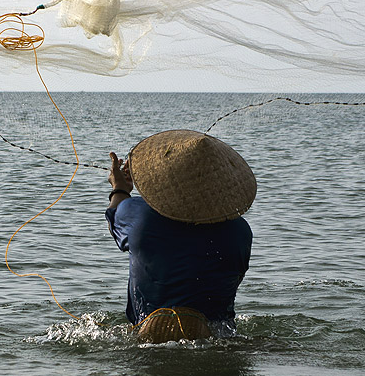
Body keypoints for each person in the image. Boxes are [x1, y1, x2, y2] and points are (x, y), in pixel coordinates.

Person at [106, 129, 255, 342]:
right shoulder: (240, 231)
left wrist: (119, 188)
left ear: (165, 179)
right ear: (222, 186)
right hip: (219, 337)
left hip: (149, 336)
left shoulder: (138, 215)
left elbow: (115, 217)